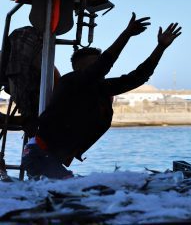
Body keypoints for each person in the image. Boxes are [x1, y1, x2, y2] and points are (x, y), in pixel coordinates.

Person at [21, 13, 182, 179]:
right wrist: (126, 34)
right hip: (39, 156)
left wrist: (160, 48)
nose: (100, 71)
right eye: (94, 65)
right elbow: (104, 64)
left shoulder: (100, 88)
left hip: (51, 159)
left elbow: (137, 77)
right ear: (79, 68)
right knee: (70, 191)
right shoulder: (70, 82)